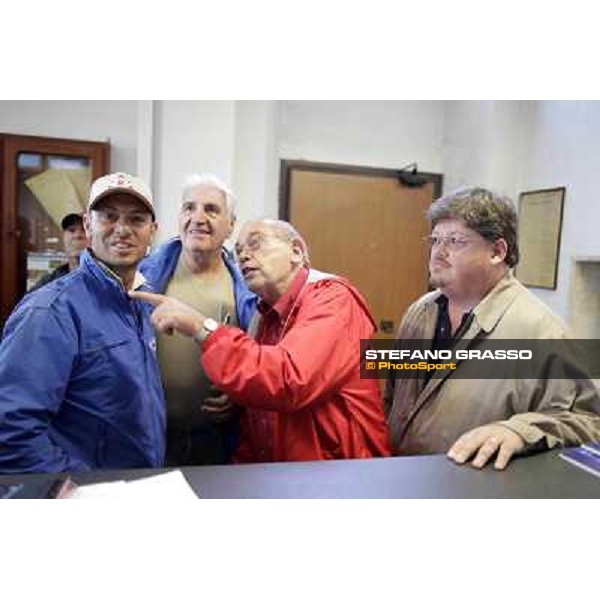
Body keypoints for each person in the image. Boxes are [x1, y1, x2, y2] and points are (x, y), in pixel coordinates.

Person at [132, 219, 390, 463]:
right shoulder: (263, 314)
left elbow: (289, 380)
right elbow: (259, 422)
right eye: (239, 250)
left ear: (297, 251)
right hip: (288, 479)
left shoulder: (334, 300)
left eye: (256, 243)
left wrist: (200, 326)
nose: (243, 255)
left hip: (344, 481)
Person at [384, 187, 600, 470]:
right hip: (405, 479)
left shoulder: (541, 332)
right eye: (435, 240)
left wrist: (519, 431)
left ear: (497, 252)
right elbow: (391, 396)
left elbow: (590, 422)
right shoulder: (420, 312)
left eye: (455, 241)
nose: (438, 252)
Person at [0, 172, 165, 473]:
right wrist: (82, 490)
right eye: (109, 217)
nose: (122, 230)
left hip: (136, 484)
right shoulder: (50, 311)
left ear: (152, 230)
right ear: (88, 224)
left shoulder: (140, 299)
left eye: (136, 219)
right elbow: (10, 432)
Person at [139, 173, 256, 466]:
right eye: (189, 208)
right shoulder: (144, 275)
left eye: (212, 209)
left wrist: (241, 396)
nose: (198, 217)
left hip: (217, 438)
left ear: (230, 225)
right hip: (152, 435)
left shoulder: (249, 289)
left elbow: (261, 360)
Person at [29, 212, 87, 293]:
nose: (77, 235)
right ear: (63, 237)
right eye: (71, 230)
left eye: (84, 230)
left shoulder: (105, 279)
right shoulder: (51, 280)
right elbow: (27, 302)